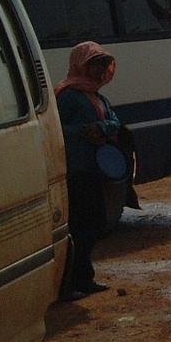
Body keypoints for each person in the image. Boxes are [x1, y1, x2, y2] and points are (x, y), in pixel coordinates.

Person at [55, 42, 122, 298]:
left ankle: (83, 278)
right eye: (96, 65)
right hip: (76, 170)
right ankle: (69, 283)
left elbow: (114, 121)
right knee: (81, 226)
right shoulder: (67, 96)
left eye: (104, 65)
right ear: (81, 65)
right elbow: (55, 130)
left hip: (94, 169)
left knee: (94, 224)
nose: (101, 70)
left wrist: (101, 128)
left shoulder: (96, 95)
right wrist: (84, 132)